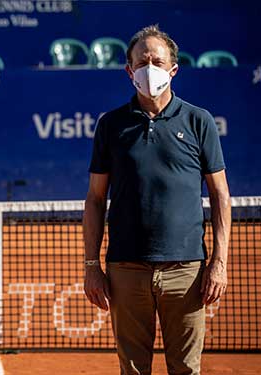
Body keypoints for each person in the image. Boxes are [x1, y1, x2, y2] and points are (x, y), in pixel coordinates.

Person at [83, 25, 231, 375]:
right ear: (129, 70)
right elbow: (94, 198)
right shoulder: (111, 124)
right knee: (133, 371)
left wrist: (219, 263)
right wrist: (92, 267)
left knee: (186, 370)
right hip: (125, 269)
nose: (150, 68)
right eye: (142, 61)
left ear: (173, 69)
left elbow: (220, 195)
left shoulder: (199, 121)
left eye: (157, 61)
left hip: (187, 271)